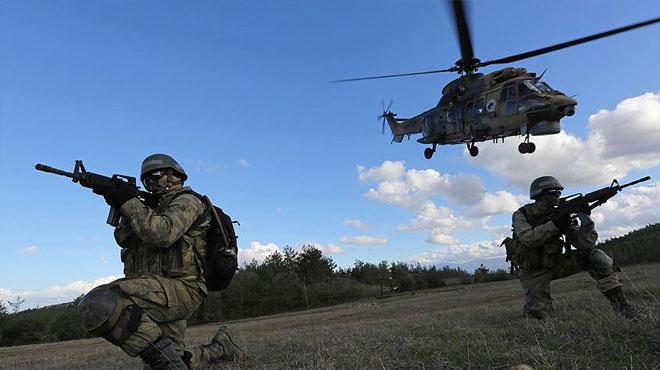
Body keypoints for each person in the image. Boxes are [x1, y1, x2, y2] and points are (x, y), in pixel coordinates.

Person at [76, 154, 245, 369]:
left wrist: (129, 201)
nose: (151, 182)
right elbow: (123, 239)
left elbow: (162, 233)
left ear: (174, 175)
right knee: (171, 359)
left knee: (100, 302)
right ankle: (220, 349)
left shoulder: (188, 201)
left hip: (182, 289)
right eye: (146, 180)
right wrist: (122, 203)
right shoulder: (149, 210)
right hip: (158, 290)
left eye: (155, 175)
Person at [512, 176, 634, 320]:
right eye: (552, 193)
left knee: (597, 257)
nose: (557, 197)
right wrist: (555, 224)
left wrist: (586, 221)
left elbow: (584, 243)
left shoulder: (562, 214)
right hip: (533, 272)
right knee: (541, 317)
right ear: (539, 195)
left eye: (559, 193)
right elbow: (529, 239)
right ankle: (531, 309)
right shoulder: (522, 214)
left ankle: (623, 308)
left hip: (557, 263)